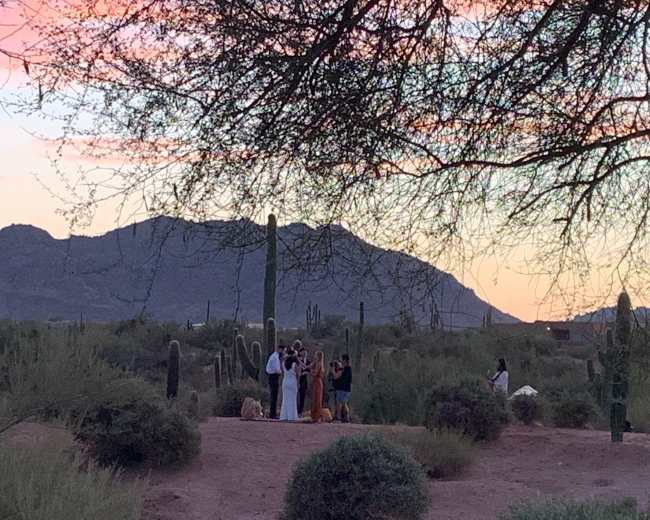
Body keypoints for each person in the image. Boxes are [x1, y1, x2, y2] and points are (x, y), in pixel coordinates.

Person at [265, 344, 285, 419]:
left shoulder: (274, 356)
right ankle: (272, 414)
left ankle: (273, 413)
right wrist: (282, 372)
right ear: (280, 349)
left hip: (273, 376)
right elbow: (277, 369)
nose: (283, 352)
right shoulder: (275, 357)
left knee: (274, 396)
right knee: (274, 396)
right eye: (282, 350)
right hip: (273, 376)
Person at [280, 350, 300, 421]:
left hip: (285, 382)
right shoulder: (294, 365)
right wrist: (298, 383)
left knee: (285, 399)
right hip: (292, 382)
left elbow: (282, 373)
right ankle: (292, 416)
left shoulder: (283, 364)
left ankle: (284, 416)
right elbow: (297, 375)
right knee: (292, 399)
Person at [308, 351, 324, 423]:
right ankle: (313, 416)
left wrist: (310, 371)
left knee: (317, 399)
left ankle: (317, 417)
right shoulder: (315, 363)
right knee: (313, 399)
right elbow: (308, 366)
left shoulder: (319, 364)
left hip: (317, 382)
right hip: (314, 382)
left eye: (316, 355)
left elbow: (315, 373)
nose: (314, 357)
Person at [336, 354, 352, 422]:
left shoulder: (347, 368)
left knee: (340, 403)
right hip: (344, 388)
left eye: (342, 359)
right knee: (343, 403)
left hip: (343, 388)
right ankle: (345, 417)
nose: (341, 361)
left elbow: (340, 377)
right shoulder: (346, 368)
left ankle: (339, 417)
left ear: (345, 360)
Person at [297, 346, 309, 416]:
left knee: (302, 396)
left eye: (305, 352)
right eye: (303, 352)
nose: (304, 354)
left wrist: (305, 372)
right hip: (298, 380)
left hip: (304, 381)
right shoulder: (298, 361)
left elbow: (309, 370)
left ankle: (300, 411)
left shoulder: (308, 361)